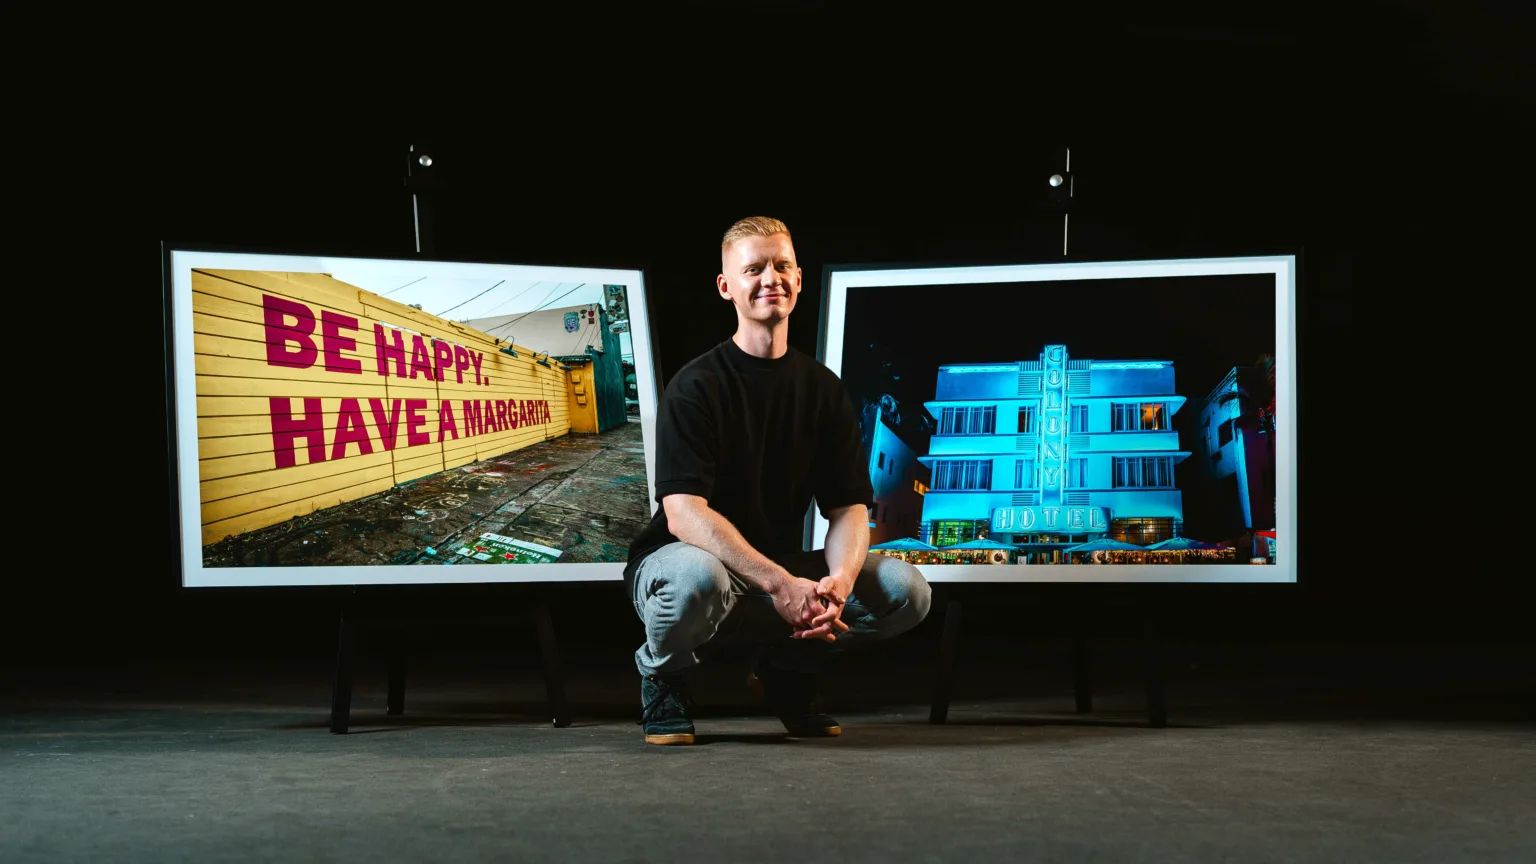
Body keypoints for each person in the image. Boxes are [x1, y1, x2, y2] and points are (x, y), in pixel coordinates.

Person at [623, 216, 932, 745]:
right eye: (754, 269)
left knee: (907, 592)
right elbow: (684, 514)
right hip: (687, 565)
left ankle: (789, 668)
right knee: (697, 578)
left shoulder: (823, 391)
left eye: (782, 265)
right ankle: (664, 674)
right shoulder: (696, 385)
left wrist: (839, 581)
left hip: (776, 577)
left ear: (799, 277)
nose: (771, 278)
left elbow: (849, 510)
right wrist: (782, 584)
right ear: (727, 287)